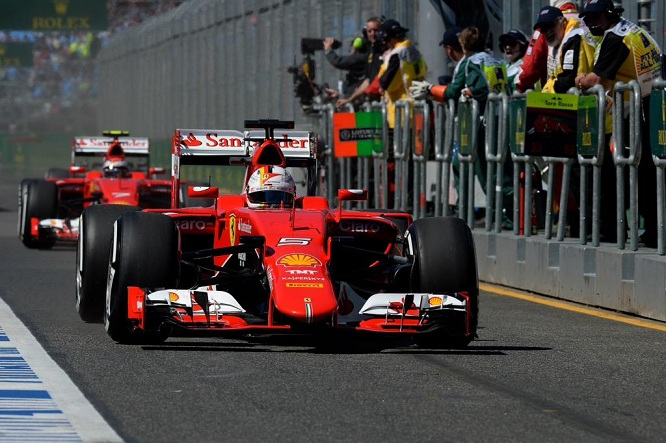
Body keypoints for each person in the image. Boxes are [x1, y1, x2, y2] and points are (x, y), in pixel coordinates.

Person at [575, 0, 662, 247]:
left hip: (640, 109)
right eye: (588, 18)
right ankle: (654, 230)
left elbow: (597, 80)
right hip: (651, 105)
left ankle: (646, 231)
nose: (591, 23)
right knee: (649, 170)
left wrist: (580, 80)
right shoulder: (634, 29)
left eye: (596, 17)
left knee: (635, 170)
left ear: (610, 14)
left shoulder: (615, 38)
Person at [516, 0, 582, 93]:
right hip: (596, 96)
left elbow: (529, 68)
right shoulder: (588, 20)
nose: (547, 31)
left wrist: (520, 88)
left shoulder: (547, 20)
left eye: (551, 26)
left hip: (558, 97)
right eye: (544, 30)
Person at [336, 17, 384, 109]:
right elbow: (368, 80)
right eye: (369, 31)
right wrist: (350, 99)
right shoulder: (371, 52)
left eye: (376, 30)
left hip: (386, 102)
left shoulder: (387, 50)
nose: (373, 34)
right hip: (374, 103)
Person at [323, 35, 368, 100]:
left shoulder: (359, 58)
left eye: (352, 48)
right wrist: (339, 94)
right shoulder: (364, 58)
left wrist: (328, 50)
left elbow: (338, 62)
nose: (351, 52)